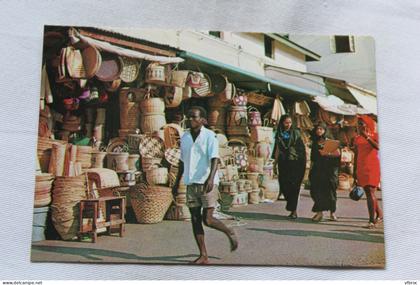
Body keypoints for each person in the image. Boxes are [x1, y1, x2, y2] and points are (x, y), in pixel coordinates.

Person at [172, 106, 238, 264]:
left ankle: (228, 231)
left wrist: (210, 178)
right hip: (191, 182)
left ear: (203, 120)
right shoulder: (185, 137)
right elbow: (182, 162)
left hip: (207, 183)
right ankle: (203, 255)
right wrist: (176, 182)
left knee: (207, 220)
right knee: (195, 219)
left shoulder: (210, 136)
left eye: (194, 117)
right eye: (188, 117)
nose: (190, 120)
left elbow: (214, 158)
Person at [272, 114, 306, 219]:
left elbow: (301, 148)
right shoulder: (279, 134)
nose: (288, 124)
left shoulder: (296, 133)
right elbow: (278, 148)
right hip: (284, 162)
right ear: (282, 122)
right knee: (284, 184)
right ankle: (290, 204)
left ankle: (293, 210)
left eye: (290, 122)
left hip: (296, 162)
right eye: (286, 122)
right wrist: (275, 162)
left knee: (294, 186)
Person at [353, 115, 383, 229]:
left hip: (372, 167)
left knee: (370, 192)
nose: (359, 125)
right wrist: (355, 170)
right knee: (368, 193)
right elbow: (356, 154)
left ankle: (371, 221)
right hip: (361, 167)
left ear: (367, 124)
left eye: (361, 123)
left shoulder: (375, 136)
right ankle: (379, 214)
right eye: (358, 123)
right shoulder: (357, 138)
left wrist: (367, 137)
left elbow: (379, 147)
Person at [309, 123, 341, 222]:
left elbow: (338, 154)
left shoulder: (330, 141)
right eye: (317, 129)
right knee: (317, 191)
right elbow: (313, 159)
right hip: (318, 170)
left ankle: (332, 213)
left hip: (330, 171)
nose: (319, 131)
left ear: (325, 130)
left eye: (321, 129)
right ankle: (319, 213)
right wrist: (310, 170)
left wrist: (327, 153)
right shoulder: (315, 142)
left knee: (331, 192)